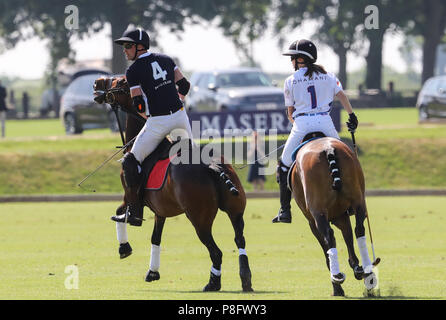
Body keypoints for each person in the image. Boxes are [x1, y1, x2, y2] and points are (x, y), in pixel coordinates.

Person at [111, 28, 193, 227]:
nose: (125, 50)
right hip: (181, 117)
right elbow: (184, 86)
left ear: (140, 47)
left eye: (128, 46)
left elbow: (138, 103)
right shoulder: (166, 59)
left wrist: (149, 118)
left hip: (157, 123)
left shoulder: (133, 71)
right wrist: (178, 102)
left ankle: (134, 212)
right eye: (124, 47)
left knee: (130, 161)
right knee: (193, 158)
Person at [272, 39, 358, 224]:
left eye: (292, 58)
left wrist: (300, 126)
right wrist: (352, 116)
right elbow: (342, 95)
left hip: (302, 124)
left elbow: (290, 113)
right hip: (326, 123)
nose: (291, 62)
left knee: (284, 165)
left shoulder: (290, 81)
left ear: (301, 59)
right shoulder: (328, 75)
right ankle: (352, 202)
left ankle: (284, 210)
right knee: (346, 157)